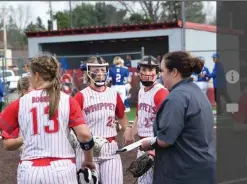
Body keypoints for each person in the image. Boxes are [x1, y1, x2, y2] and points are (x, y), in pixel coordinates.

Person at [0, 55, 96, 184]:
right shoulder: (67, 100)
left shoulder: (21, 102)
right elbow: (85, 135)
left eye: (31, 74)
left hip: (30, 171)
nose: (30, 77)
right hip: (62, 169)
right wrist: (88, 160)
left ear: (37, 75)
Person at [141, 51, 216, 184]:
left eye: (163, 71)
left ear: (174, 72)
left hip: (182, 171)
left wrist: (150, 143)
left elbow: (166, 140)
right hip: (203, 167)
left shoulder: (177, 97)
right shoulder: (196, 91)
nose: (161, 75)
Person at [74, 56, 134, 184]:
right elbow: (72, 125)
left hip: (110, 147)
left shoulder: (113, 94)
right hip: (87, 149)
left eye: (102, 70)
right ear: (87, 72)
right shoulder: (80, 96)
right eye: (96, 70)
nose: (100, 74)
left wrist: (127, 128)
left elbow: (121, 116)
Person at [132, 56, 169, 184]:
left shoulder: (160, 92)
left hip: (157, 145)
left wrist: (153, 149)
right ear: (139, 72)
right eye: (144, 69)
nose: (148, 73)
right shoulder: (141, 91)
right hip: (142, 145)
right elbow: (139, 114)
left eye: (151, 69)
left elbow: (166, 123)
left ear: (157, 72)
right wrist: (130, 132)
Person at [2, 76, 32, 151]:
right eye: (35, 88)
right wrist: (24, 138)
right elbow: (7, 144)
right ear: (25, 92)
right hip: (29, 154)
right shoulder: (18, 107)